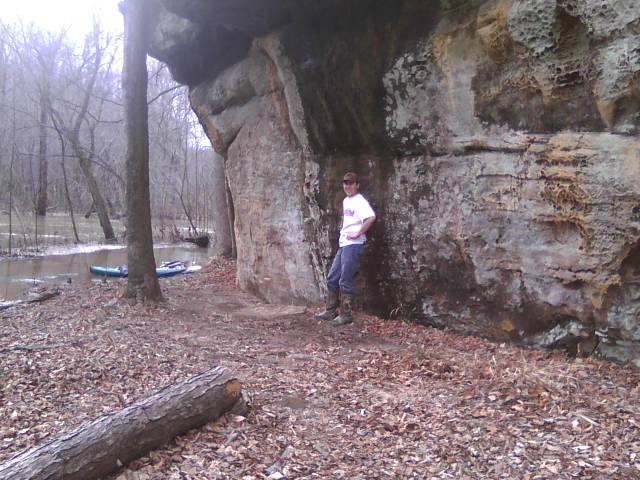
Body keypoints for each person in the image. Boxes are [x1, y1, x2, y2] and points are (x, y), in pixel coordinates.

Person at [316, 172, 376, 326]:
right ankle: (330, 311)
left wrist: (358, 233)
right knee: (332, 277)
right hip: (344, 244)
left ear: (357, 185)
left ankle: (345, 314)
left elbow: (370, 217)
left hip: (354, 245)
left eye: (351, 183)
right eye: (345, 183)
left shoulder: (359, 201)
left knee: (345, 279)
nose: (347, 186)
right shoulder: (346, 201)